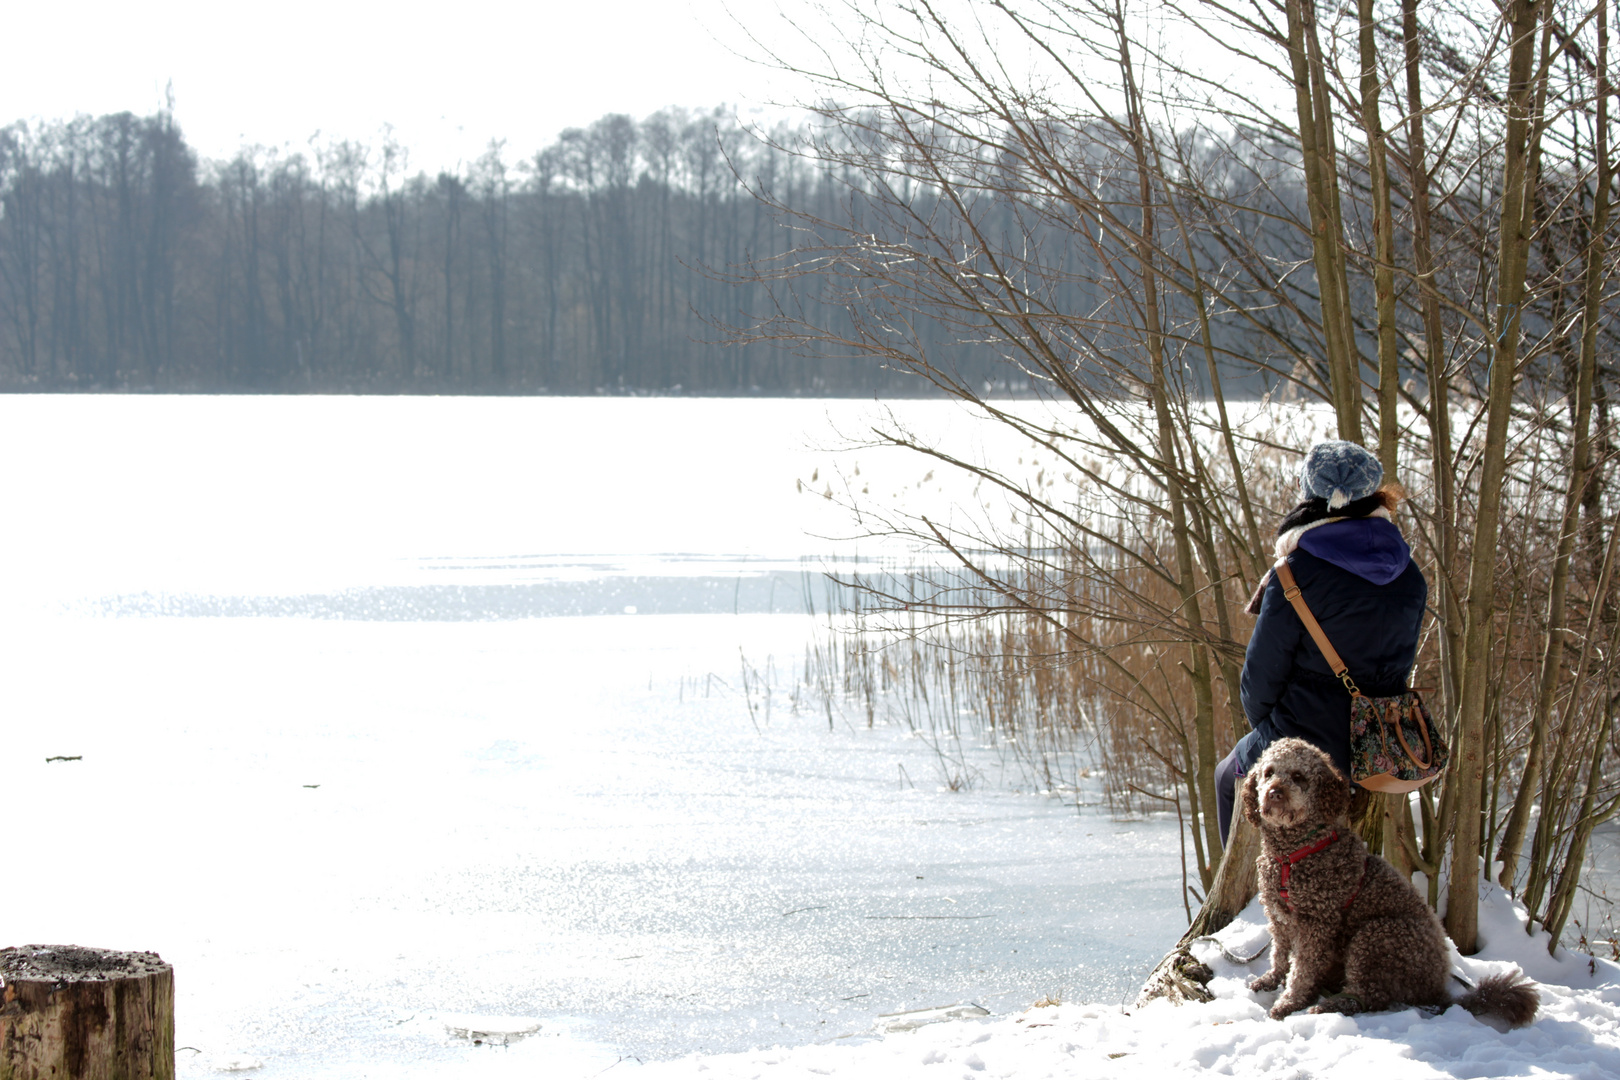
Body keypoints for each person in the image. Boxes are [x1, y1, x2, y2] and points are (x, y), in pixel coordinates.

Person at [1214, 440, 1428, 846]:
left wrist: (1270, 731)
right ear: (1374, 494)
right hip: (1381, 743)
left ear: (1309, 492)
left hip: (1307, 735)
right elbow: (1401, 663)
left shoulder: (1295, 573)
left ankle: (1250, 902)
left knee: (1228, 775)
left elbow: (1260, 679)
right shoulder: (1410, 574)